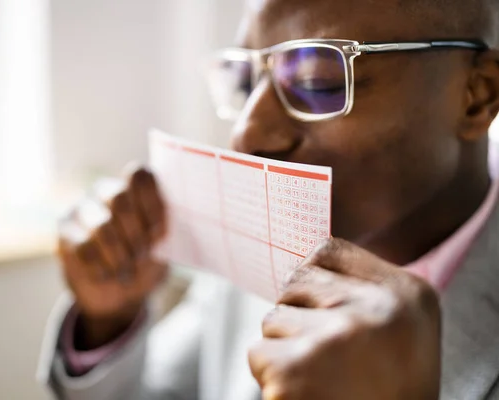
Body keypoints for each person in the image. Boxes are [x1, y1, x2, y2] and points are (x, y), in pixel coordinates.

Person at [37, 0, 499, 398]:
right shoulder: (264, 246)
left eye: (318, 81)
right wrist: (108, 320)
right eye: (245, 83)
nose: (245, 135)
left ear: (478, 95)